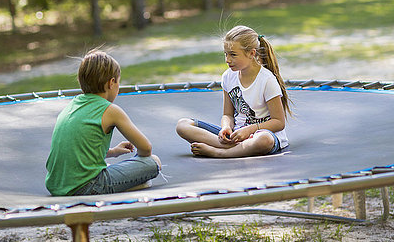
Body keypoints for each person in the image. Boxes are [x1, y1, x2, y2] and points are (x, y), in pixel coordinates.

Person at [46, 50, 161, 195]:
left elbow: (77, 151)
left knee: (108, 167)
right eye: (118, 82)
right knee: (154, 162)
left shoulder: (72, 106)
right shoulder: (111, 110)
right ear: (111, 83)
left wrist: (113, 152)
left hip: (57, 186)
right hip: (88, 187)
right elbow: (146, 148)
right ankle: (127, 186)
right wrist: (137, 163)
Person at [176, 25, 291, 158]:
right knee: (182, 125)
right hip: (236, 134)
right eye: (225, 54)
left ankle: (219, 152)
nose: (227, 60)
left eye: (233, 55)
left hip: (262, 134)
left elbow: (278, 122)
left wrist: (249, 130)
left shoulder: (267, 80)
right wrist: (226, 127)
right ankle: (235, 148)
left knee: (264, 141)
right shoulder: (228, 76)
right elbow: (227, 114)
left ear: (251, 53)